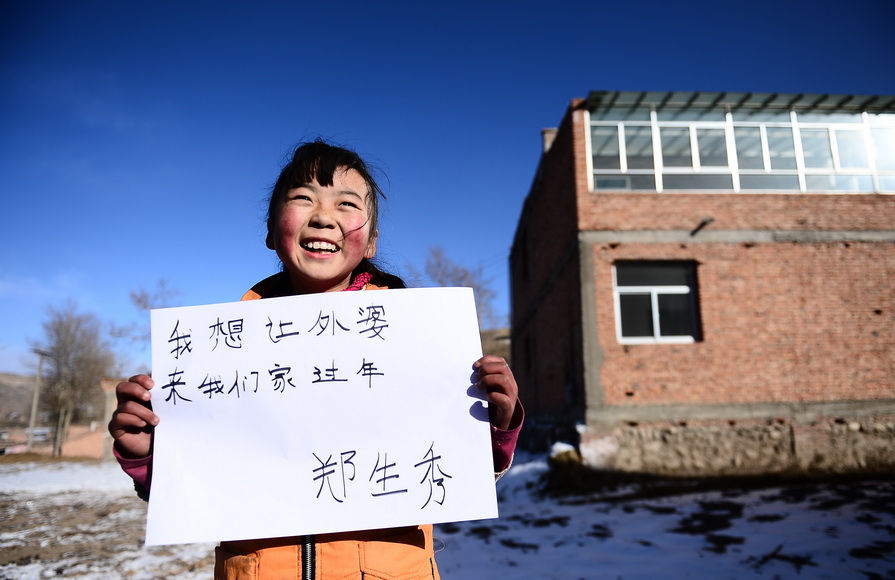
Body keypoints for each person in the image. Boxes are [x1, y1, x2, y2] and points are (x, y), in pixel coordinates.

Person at [108, 138, 524, 580]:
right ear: (271, 230)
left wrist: (494, 426)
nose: (324, 217)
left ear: (371, 243)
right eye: (303, 198)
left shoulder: (417, 342)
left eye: (346, 204)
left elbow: (456, 471)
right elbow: (206, 484)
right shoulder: (224, 357)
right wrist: (149, 457)